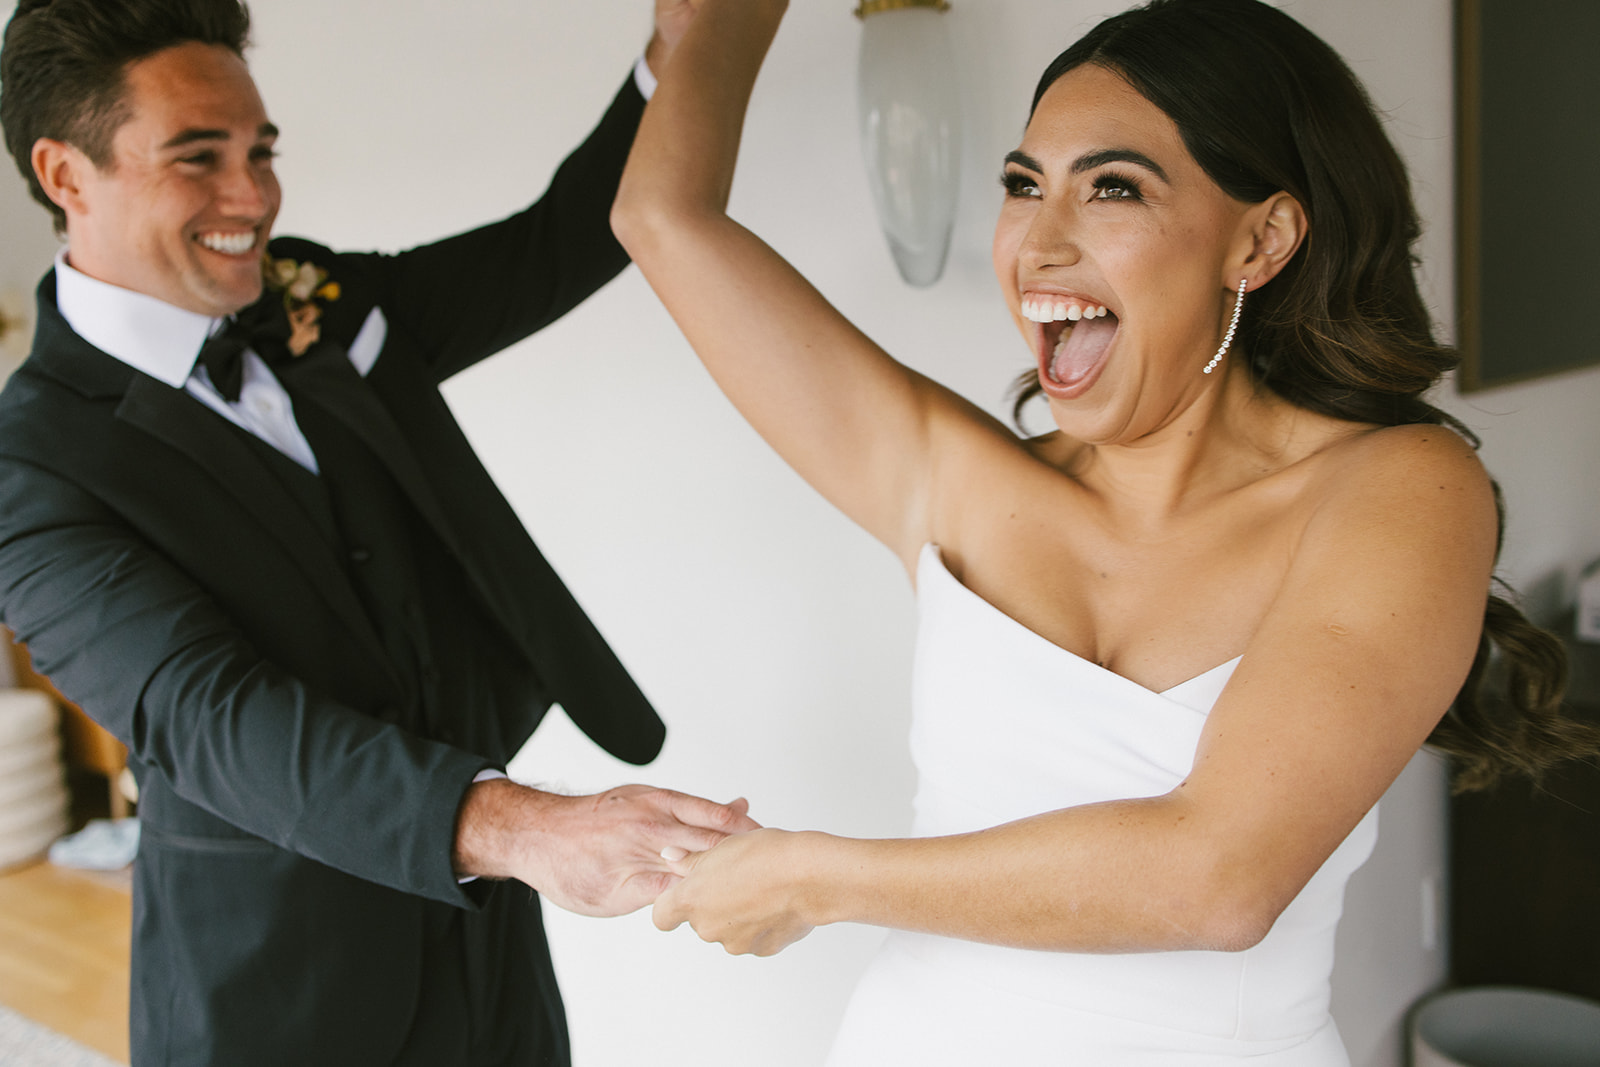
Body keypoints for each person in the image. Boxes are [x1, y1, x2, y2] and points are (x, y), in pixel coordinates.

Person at [612, 0, 1599, 1062]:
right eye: (1023, 185)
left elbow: (1219, 878)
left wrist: (819, 874)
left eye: (1112, 188)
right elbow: (660, 217)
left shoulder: (1399, 487)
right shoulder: (950, 476)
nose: (1038, 243)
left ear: (1258, 241)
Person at [0, 1, 757, 1064]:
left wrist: (673, 58)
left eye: (260, 149)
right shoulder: (27, 465)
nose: (253, 196)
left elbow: (548, 250)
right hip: (275, 977)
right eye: (199, 156)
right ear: (66, 173)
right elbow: (214, 712)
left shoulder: (310, 295)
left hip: (485, 935)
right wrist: (526, 826)